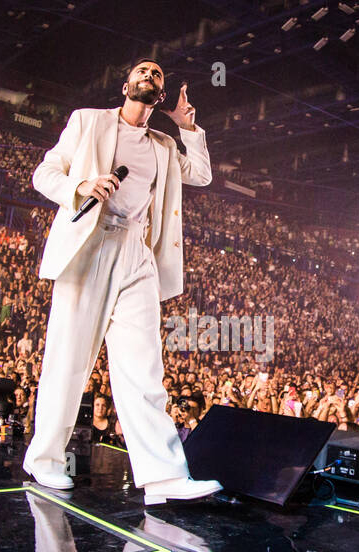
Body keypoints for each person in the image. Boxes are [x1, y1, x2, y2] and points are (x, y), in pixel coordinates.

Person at [21, 58, 221, 505]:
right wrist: (82, 187)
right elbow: (44, 174)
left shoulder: (165, 145)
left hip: (137, 253)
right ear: (126, 83)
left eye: (157, 76)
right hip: (90, 246)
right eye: (143, 71)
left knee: (144, 368)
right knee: (69, 360)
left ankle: (163, 477)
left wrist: (189, 128)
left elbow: (203, 175)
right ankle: (44, 459)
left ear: (161, 96)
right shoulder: (87, 122)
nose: (150, 76)